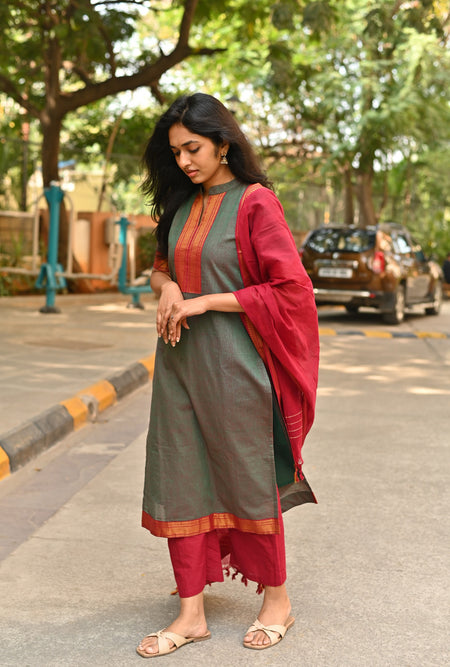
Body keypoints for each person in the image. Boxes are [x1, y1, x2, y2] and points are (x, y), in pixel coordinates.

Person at [136, 93, 319, 658]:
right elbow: (159, 268)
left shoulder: (255, 202)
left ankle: (277, 602)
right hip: (178, 366)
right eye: (176, 152)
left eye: (193, 148)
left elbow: (291, 288)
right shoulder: (181, 203)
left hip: (237, 367)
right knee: (180, 475)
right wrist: (169, 287)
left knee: (247, 478)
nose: (184, 160)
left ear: (222, 143)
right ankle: (191, 614)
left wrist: (205, 301)